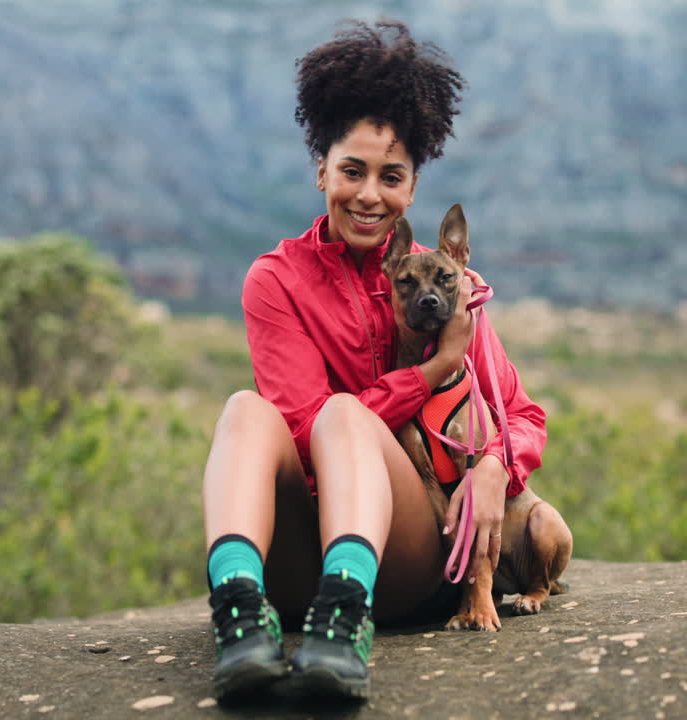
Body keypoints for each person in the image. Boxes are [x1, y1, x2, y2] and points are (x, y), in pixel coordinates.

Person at [201, 19, 547, 701]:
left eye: (391, 177)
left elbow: (523, 415)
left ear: (413, 188)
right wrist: (429, 373)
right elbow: (303, 434)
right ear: (320, 167)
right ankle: (239, 609)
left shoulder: (448, 289)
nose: (368, 194)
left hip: (406, 554)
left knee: (344, 414)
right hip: (302, 549)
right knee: (249, 410)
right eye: (351, 170)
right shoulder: (276, 280)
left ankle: (344, 620)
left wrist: (493, 466)